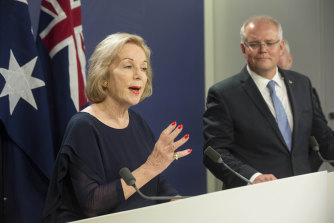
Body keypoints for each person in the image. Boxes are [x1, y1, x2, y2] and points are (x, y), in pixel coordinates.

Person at [43, 33, 192, 222]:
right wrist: (151, 167)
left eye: (144, 68)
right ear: (104, 76)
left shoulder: (137, 122)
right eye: (128, 66)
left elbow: (154, 182)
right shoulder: (83, 127)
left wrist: (180, 203)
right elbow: (91, 203)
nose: (139, 75)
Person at [203, 15, 334, 189]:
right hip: (255, 197)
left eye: (270, 43)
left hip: (303, 193)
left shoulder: (302, 84)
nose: (263, 49)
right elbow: (214, 152)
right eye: (254, 44)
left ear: (280, 47)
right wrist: (253, 177)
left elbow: (323, 138)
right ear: (243, 49)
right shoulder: (224, 94)